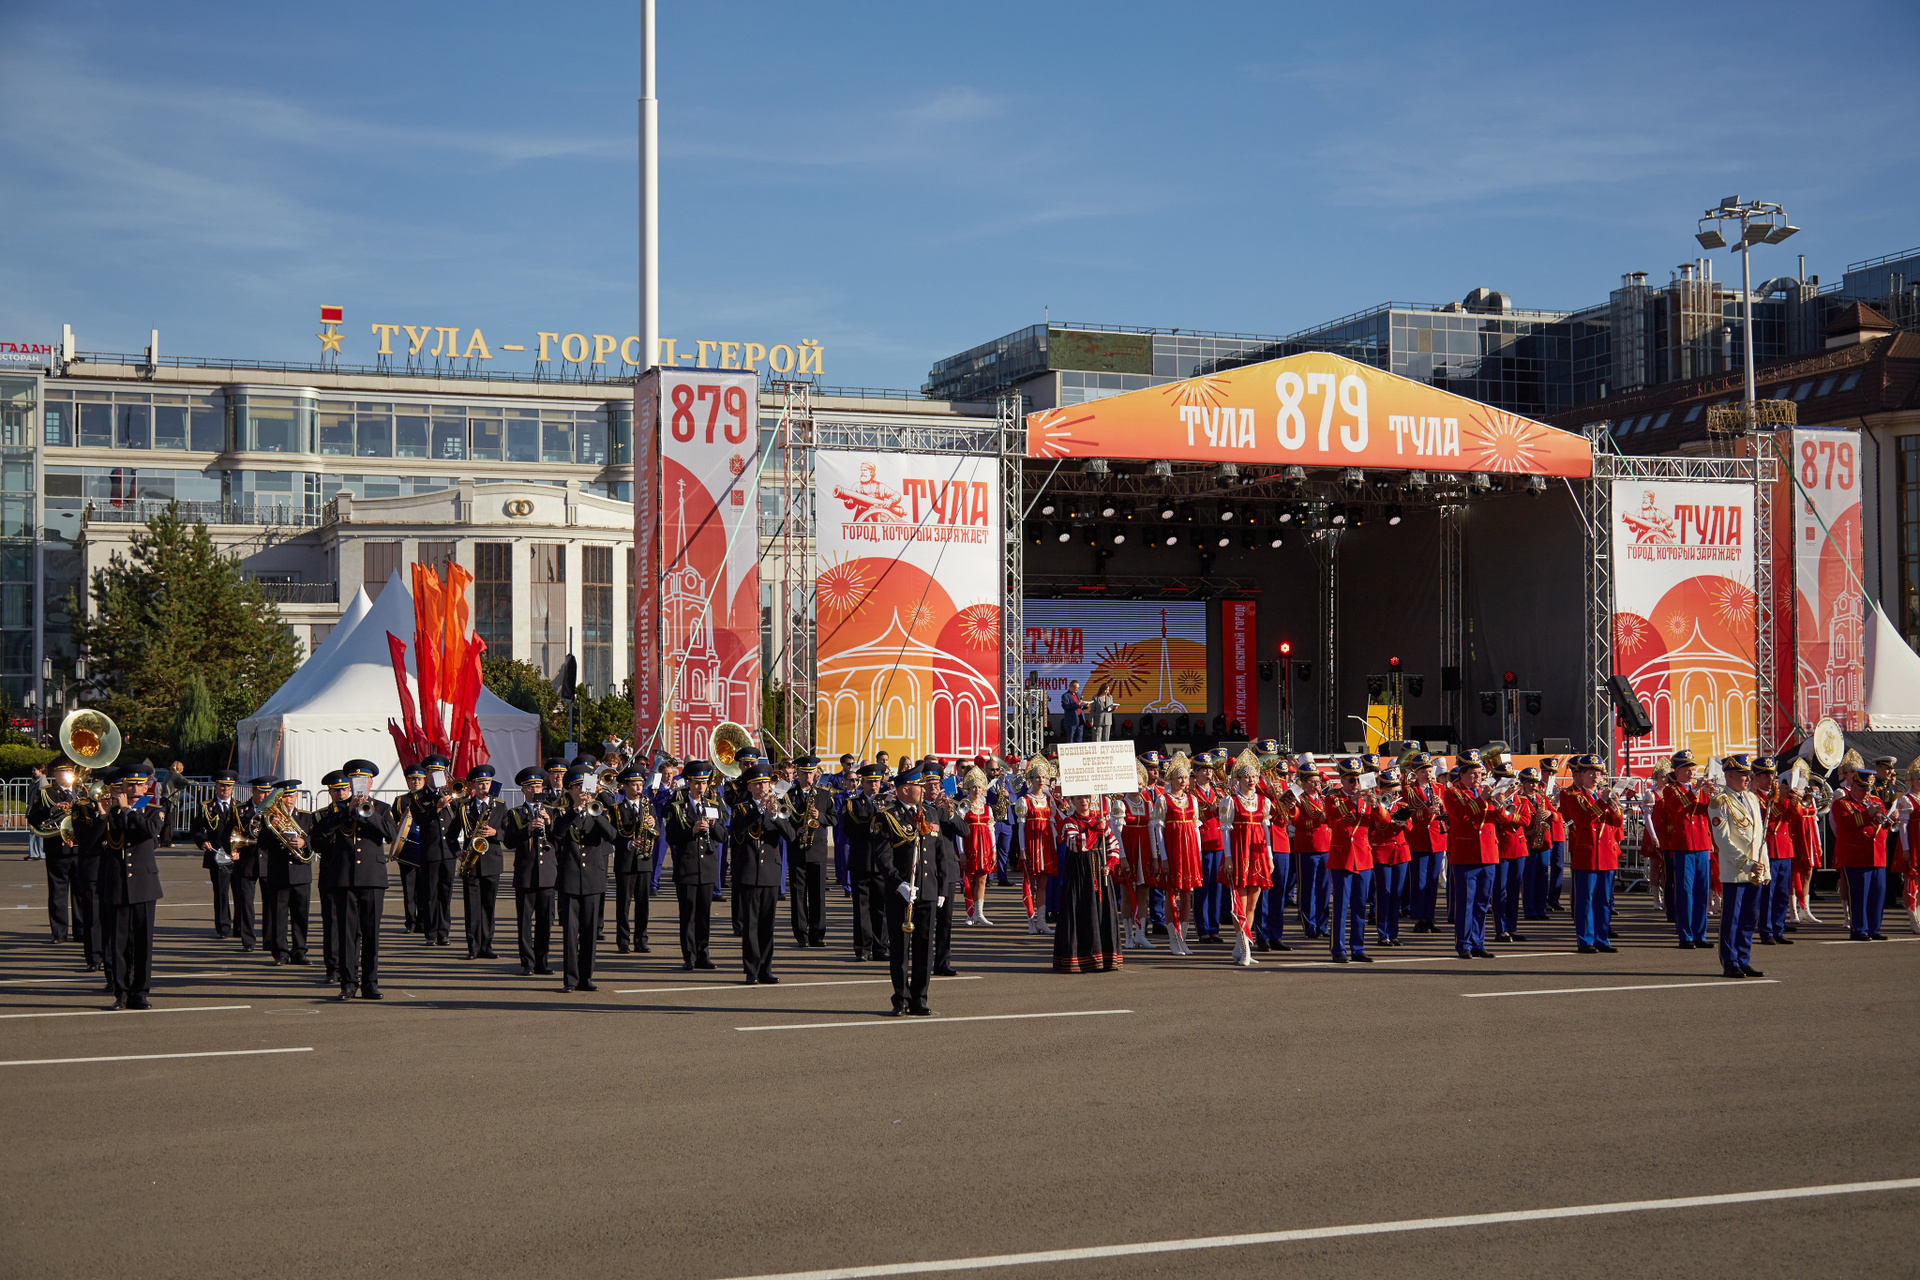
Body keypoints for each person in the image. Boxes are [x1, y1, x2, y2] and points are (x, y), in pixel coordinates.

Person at [91, 766, 168, 1009]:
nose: (134, 789)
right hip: (117, 883)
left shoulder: (155, 810)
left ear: (146, 787)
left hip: (144, 885)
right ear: (122, 787)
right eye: (129, 785)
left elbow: (150, 831)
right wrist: (103, 816)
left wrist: (127, 810)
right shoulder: (111, 812)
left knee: (143, 942)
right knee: (119, 943)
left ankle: (140, 992)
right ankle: (121, 991)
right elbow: (91, 845)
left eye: (138, 785)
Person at [873, 765, 941, 1014]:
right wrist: (898, 883)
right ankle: (900, 998)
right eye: (918, 786)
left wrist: (941, 887)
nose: (924, 790)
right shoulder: (887, 817)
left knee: (924, 948)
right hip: (902, 892)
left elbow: (939, 853)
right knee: (900, 949)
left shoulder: (930, 813)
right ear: (904, 790)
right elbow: (883, 857)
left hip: (927, 890)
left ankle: (920, 997)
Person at [327, 760, 396, 1000]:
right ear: (349, 783)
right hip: (345, 878)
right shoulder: (336, 809)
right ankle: (348, 983)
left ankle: (370, 983)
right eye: (355, 780)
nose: (359, 784)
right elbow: (320, 835)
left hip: (372, 877)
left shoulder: (383, 808)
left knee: (371, 934)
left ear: (370, 783)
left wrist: (369, 813)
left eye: (363, 780)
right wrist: (347, 811)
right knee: (347, 935)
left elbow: (391, 834)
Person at [730, 763, 798, 985]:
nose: (762, 788)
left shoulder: (778, 807)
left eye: (765, 784)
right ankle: (751, 970)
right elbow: (738, 829)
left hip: (770, 871)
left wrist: (775, 815)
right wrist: (759, 809)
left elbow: (791, 836)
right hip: (749, 871)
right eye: (757, 785)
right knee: (751, 925)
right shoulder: (741, 808)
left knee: (767, 925)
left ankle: (766, 969)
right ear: (749, 787)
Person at [553, 764, 616, 992]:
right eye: (577, 787)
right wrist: (575, 810)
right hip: (570, 877)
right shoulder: (562, 812)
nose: (582, 791)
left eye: (585, 787)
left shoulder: (599, 811)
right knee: (570, 933)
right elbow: (557, 833)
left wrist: (594, 812)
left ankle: (586, 977)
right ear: (569, 791)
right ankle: (570, 979)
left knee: (589, 932)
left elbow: (612, 836)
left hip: (593, 878)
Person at [663, 760, 728, 971]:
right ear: (688, 783)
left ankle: (703, 954)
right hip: (687, 867)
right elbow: (671, 836)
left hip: (707, 868)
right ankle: (689, 956)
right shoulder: (678, 807)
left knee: (704, 915)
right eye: (697, 783)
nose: (701, 787)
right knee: (688, 914)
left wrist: (713, 825)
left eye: (704, 783)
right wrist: (691, 831)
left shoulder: (713, 805)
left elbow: (722, 836)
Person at [1708, 755, 1768, 980]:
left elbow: (1759, 836)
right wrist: (1747, 863)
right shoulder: (1720, 801)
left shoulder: (1752, 798)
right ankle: (1730, 961)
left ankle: (1743, 959)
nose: (1748, 778)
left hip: (1755, 870)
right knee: (1732, 919)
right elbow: (1723, 840)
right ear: (1730, 775)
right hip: (1736, 870)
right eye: (1743, 775)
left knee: (1749, 918)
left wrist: (1765, 868)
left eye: (1748, 774)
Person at [1559, 756, 1624, 954]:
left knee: (1603, 901)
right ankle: (1585, 940)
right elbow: (1584, 820)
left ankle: (1602, 938)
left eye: (1598, 773)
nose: (1596, 777)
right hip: (1587, 854)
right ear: (1582, 775)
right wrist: (1603, 802)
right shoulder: (1574, 796)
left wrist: (1614, 805)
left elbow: (1618, 822)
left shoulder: (1602, 797)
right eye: (1591, 773)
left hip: (1607, 854)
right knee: (1585, 900)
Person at [1054, 791, 1123, 973]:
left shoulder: (1099, 821)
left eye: (1086, 797)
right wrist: (1096, 829)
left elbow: (1113, 845)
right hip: (1079, 876)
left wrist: (1110, 864)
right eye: (1078, 798)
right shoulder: (1069, 822)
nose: (1083, 801)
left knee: (1102, 913)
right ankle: (1082, 959)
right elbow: (1077, 844)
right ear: (1072, 801)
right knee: (1082, 913)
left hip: (1100, 874)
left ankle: (1105, 958)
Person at [1652, 750, 1714, 951]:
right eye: (1687, 769)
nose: (1691, 772)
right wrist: (1696, 791)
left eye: (1693, 769)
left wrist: (1714, 795)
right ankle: (1685, 935)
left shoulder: (1700, 790)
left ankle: (1700, 934)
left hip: (1702, 844)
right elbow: (1676, 807)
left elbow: (1709, 812)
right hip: (1684, 845)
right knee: (1685, 891)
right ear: (1677, 771)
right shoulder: (1671, 790)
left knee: (1702, 891)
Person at [1442, 749, 1499, 959]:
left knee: (1482, 903)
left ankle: (1478, 942)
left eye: (1480, 774)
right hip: (1466, 853)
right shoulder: (1453, 793)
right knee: (1466, 902)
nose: (1478, 777)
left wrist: (1501, 802)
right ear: (1462, 775)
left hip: (1489, 853)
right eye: (1473, 774)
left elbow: (1501, 818)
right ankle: (1464, 943)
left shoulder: (1486, 793)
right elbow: (1460, 815)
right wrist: (1482, 799)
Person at [502, 767, 558, 976]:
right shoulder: (516, 813)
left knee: (546, 921)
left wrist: (549, 823)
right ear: (523, 790)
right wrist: (528, 829)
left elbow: (560, 840)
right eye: (531, 787)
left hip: (547, 874)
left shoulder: (551, 811)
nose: (535, 790)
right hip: (526, 874)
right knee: (525, 921)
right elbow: (509, 841)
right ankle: (527, 962)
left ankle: (542, 961)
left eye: (538, 787)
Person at [1830, 763, 1890, 941]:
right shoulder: (1842, 804)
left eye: (1869, 789)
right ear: (1853, 785)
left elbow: (1883, 827)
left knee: (1877, 895)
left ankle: (1874, 929)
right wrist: (1867, 815)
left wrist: (1888, 821)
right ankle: (1859, 930)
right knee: (1859, 896)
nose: (1866, 793)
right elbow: (1844, 825)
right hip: (1856, 857)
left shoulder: (1877, 802)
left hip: (1878, 855)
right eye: (1863, 789)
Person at [1323, 759, 1375, 965]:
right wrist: (1352, 801)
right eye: (1351, 780)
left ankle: (1358, 948)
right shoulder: (1333, 798)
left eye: (1358, 779)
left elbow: (1380, 822)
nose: (1356, 784)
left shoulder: (1367, 799)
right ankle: (1338, 948)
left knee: (1360, 906)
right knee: (1341, 906)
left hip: (1362, 857)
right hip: (1342, 857)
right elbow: (1332, 819)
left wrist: (1377, 807)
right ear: (1342, 780)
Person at [1150, 754, 1202, 956]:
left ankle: (1183, 938)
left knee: (1188, 893)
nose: (1183, 780)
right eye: (1179, 777)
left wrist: (1197, 854)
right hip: (1172, 849)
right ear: (1171, 778)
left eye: (1185, 777)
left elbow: (1195, 828)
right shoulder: (1163, 800)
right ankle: (1173, 938)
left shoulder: (1192, 799)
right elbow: (1159, 829)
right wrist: (1163, 857)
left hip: (1189, 851)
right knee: (1171, 893)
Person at [407, 755, 461, 947]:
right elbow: (420, 819)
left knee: (446, 893)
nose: (436, 775)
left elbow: (459, 816)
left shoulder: (450, 794)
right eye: (433, 772)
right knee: (430, 894)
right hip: (430, 851)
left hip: (448, 852)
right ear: (427, 774)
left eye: (440, 772)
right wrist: (436, 808)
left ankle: (444, 932)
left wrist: (453, 798)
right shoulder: (418, 797)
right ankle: (431, 933)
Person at [259, 779, 314, 966]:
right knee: (278, 916)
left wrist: (304, 843)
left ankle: (300, 951)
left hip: (301, 873)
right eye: (284, 796)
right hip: (279, 872)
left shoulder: (306, 817)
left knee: (301, 915)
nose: (288, 800)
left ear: (297, 796)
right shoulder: (269, 818)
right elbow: (262, 844)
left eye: (291, 796)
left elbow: (316, 839)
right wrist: (271, 829)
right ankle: (280, 953)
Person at [27, 762, 79, 944]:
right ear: (55, 775)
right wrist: (52, 810)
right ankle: (59, 933)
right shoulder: (46, 793)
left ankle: (81, 931)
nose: (66, 775)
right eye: (62, 772)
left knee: (81, 892)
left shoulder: (81, 791)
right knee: (58, 892)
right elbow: (32, 817)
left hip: (79, 848)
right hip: (57, 847)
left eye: (69, 772)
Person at [1278, 761, 1332, 939]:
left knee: (1324, 889)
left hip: (1325, 846)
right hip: (1307, 847)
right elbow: (1296, 822)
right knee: (1308, 889)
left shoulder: (1323, 798)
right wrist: (1317, 820)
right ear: (1304, 783)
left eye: (1317, 781)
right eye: (1312, 782)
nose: (1316, 785)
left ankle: (1322, 924)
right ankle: (1309, 925)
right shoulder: (1299, 799)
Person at [457, 765, 505, 960]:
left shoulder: (500, 806)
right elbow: (450, 834)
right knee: (472, 907)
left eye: (487, 783)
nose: (485, 786)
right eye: (481, 783)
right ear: (474, 785)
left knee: (489, 906)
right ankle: (473, 947)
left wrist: (496, 833)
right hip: (472, 863)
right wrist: (457, 850)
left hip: (492, 862)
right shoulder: (463, 807)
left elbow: (509, 832)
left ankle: (487, 945)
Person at [786, 755, 834, 947]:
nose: (808, 776)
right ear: (797, 773)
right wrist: (794, 830)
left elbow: (834, 818)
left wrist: (820, 816)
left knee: (818, 894)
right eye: (804, 773)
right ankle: (801, 934)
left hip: (818, 850)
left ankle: (818, 934)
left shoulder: (823, 794)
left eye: (811, 773)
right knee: (798, 894)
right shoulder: (788, 794)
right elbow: (781, 819)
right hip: (797, 849)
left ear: (816, 773)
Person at [1751, 760, 1800, 947]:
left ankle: (1779, 929)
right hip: (1768, 850)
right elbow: (1767, 817)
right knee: (1767, 895)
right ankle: (1766, 931)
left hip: (1784, 849)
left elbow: (1796, 815)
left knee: (1782, 893)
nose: (1770, 779)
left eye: (1771, 775)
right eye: (1765, 776)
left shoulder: (1778, 796)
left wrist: (1792, 799)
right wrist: (1781, 799)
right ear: (1756, 778)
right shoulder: (1754, 798)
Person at [844, 763, 889, 960]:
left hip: (881, 863)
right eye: (870, 782)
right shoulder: (853, 803)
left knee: (881, 908)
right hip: (861, 861)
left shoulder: (887, 803)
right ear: (862, 783)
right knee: (861, 908)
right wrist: (870, 825)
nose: (874, 786)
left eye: (877, 782)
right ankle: (863, 948)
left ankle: (881, 948)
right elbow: (848, 829)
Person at [188, 770, 241, 939]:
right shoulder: (206, 807)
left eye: (228, 786)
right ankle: (223, 927)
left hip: (237, 856)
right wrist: (202, 840)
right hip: (217, 855)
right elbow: (196, 828)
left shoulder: (240, 807)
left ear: (233, 787)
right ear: (216, 787)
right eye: (222, 786)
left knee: (241, 893)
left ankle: (240, 928)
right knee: (221, 893)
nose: (225, 789)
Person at [610, 765, 656, 953]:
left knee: (643, 903)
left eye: (641, 785)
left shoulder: (648, 806)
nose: (639, 788)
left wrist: (653, 824)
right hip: (625, 861)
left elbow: (657, 833)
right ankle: (623, 941)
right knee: (624, 904)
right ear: (625, 786)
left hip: (644, 861)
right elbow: (612, 834)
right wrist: (628, 843)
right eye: (635, 785)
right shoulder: (616, 809)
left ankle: (641, 940)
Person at [1401, 753, 1447, 933]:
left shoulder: (1440, 788)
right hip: (1419, 838)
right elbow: (1407, 814)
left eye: (1429, 771)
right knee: (1419, 881)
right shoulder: (1409, 790)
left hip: (1437, 838)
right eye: (1423, 772)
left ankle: (1430, 917)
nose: (1427, 775)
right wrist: (1426, 812)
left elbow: (1447, 812)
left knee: (1432, 881)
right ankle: (1419, 919)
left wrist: (1441, 805)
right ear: (1416, 773)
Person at [1015, 760, 1059, 934]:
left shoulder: (1049, 800)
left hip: (1046, 844)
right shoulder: (1024, 800)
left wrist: (1054, 846)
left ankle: (1041, 921)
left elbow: (1052, 823)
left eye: (1043, 777)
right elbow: (1021, 826)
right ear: (1031, 780)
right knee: (1029, 883)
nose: (1041, 780)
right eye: (1037, 777)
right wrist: (1022, 849)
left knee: (1042, 884)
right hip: (1031, 843)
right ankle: (1031, 920)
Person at [230, 776, 274, 952]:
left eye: (268, 793)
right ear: (254, 791)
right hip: (246, 861)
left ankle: (269, 941)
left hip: (269, 861)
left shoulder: (275, 811)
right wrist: (232, 850)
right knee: (246, 903)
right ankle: (248, 941)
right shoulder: (239, 810)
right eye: (262, 793)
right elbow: (228, 834)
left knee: (270, 903)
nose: (266, 796)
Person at [1488, 764, 1530, 945]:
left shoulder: (1522, 801)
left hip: (1519, 848)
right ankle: (1501, 929)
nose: (1512, 785)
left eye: (1513, 781)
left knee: (1514, 891)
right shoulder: (1492, 800)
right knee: (1500, 891)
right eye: (1507, 781)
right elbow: (1497, 818)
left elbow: (1526, 820)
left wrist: (1509, 816)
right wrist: (1503, 807)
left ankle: (1512, 927)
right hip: (1501, 848)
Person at [1368, 767, 1410, 948]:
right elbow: (1370, 830)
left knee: (1396, 895)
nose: (1395, 794)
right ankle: (1382, 934)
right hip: (1381, 853)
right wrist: (1387, 814)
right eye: (1392, 791)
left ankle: (1394, 933)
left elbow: (1410, 827)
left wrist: (1399, 819)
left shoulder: (1402, 805)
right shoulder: (1374, 807)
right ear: (1383, 790)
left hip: (1400, 853)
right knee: (1384, 893)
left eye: (1397, 790)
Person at [958, 766, 998, 927]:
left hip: (985, 846)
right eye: (974, 787)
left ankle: (979, 913)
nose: (977, 790)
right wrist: (961, 852)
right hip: (970, 844)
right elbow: (959, 832)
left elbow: (991, 829)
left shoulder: (987, 808)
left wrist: (994, 850)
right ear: (968, 787)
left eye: (979, 787)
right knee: (970, 879)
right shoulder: (963, 807)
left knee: (982, 878)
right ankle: (970, 913)